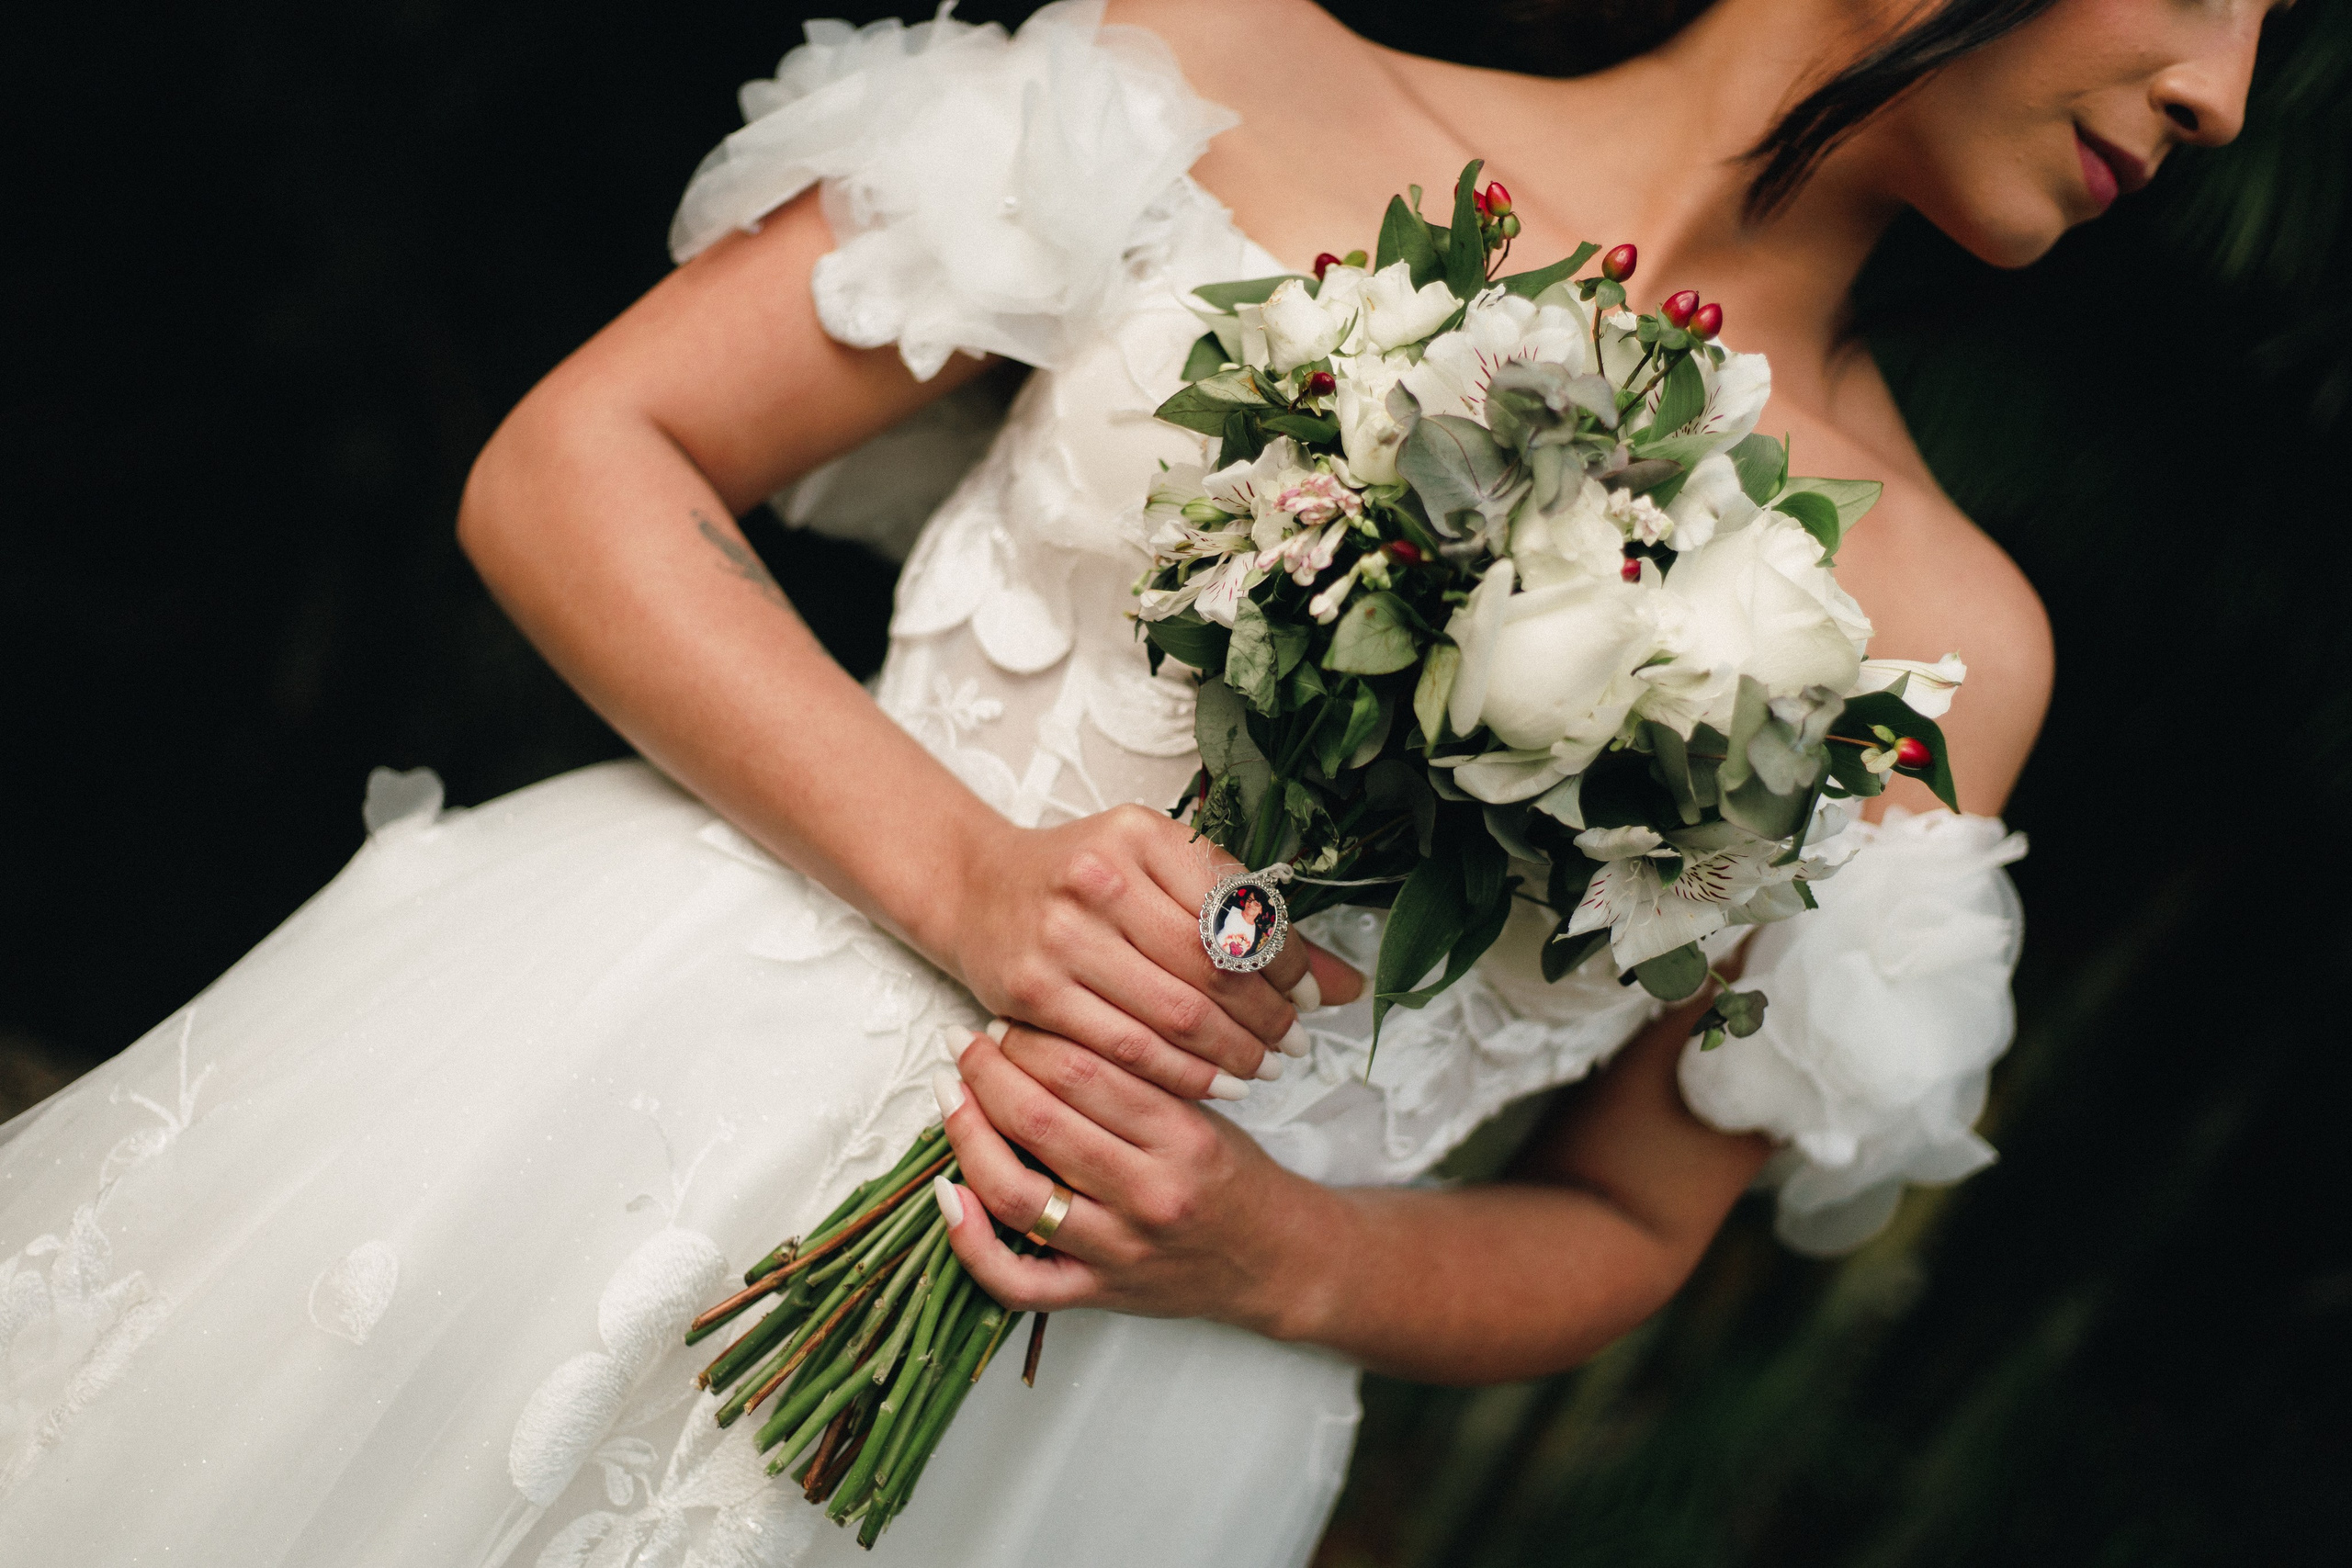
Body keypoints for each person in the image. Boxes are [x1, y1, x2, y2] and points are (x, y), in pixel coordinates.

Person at [0, 0, 2275, 1563]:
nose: (2229, 99)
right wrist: (972, 876)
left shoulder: (1950, 634)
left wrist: (1279, 1249)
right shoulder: (1208, 70)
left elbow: (1628, 1229)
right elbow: (582, 459)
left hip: (1086, 1438)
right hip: (576, 1111)